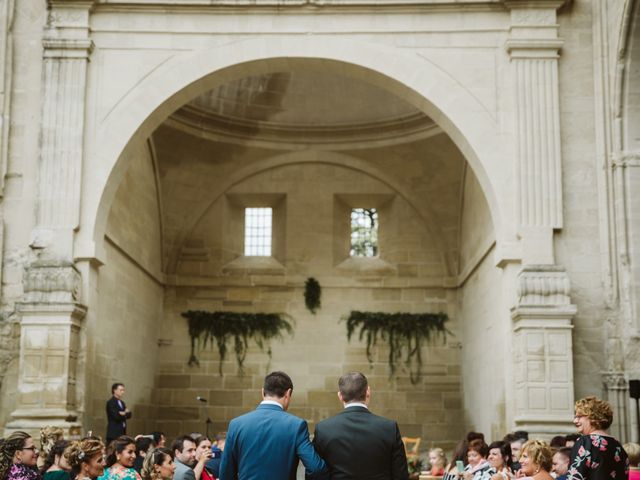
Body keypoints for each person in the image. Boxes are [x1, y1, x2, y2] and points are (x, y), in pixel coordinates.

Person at [219, 371, 327, 480]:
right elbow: (316, 468)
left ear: (262, 392)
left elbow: (225, 474)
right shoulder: (296, 425)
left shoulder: (236, 424)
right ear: (288, 393)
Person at [310, 371, 408, 480]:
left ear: (340, 396)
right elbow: (401, 475)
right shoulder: (389, 428)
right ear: (368, 392)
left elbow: (315, 473)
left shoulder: (323, 429)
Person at [567, 396, 629, 480]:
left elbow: (575, 477)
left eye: (579, 416)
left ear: (593, 417)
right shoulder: (617, 445)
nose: (575, 421)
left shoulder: (585, 442)